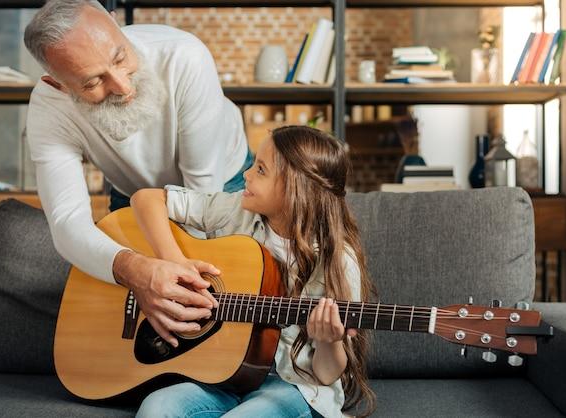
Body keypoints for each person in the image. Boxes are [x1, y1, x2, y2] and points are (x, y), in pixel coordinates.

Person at [23, 0, 251, 337]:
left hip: (222, 183)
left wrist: (181, 275)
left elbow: (202, 187)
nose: (123, 87)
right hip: (132, 193)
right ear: (58, 84)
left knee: (226, 307)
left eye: (119, 58)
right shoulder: (48, 110)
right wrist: (136, 270)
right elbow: (67, 221)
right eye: (92, 82)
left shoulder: (184, 56)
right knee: (126, 330)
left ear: (116, 24)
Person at [130, 126, 377, 418]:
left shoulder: (338, 260)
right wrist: (173, 262)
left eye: (260, 169)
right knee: (156, 409)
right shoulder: (237, 210)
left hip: (292, 385)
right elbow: (146, 199)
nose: (246, 174)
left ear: (295, 187)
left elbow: (325, 375)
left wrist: (329, 340)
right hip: (222, 376)